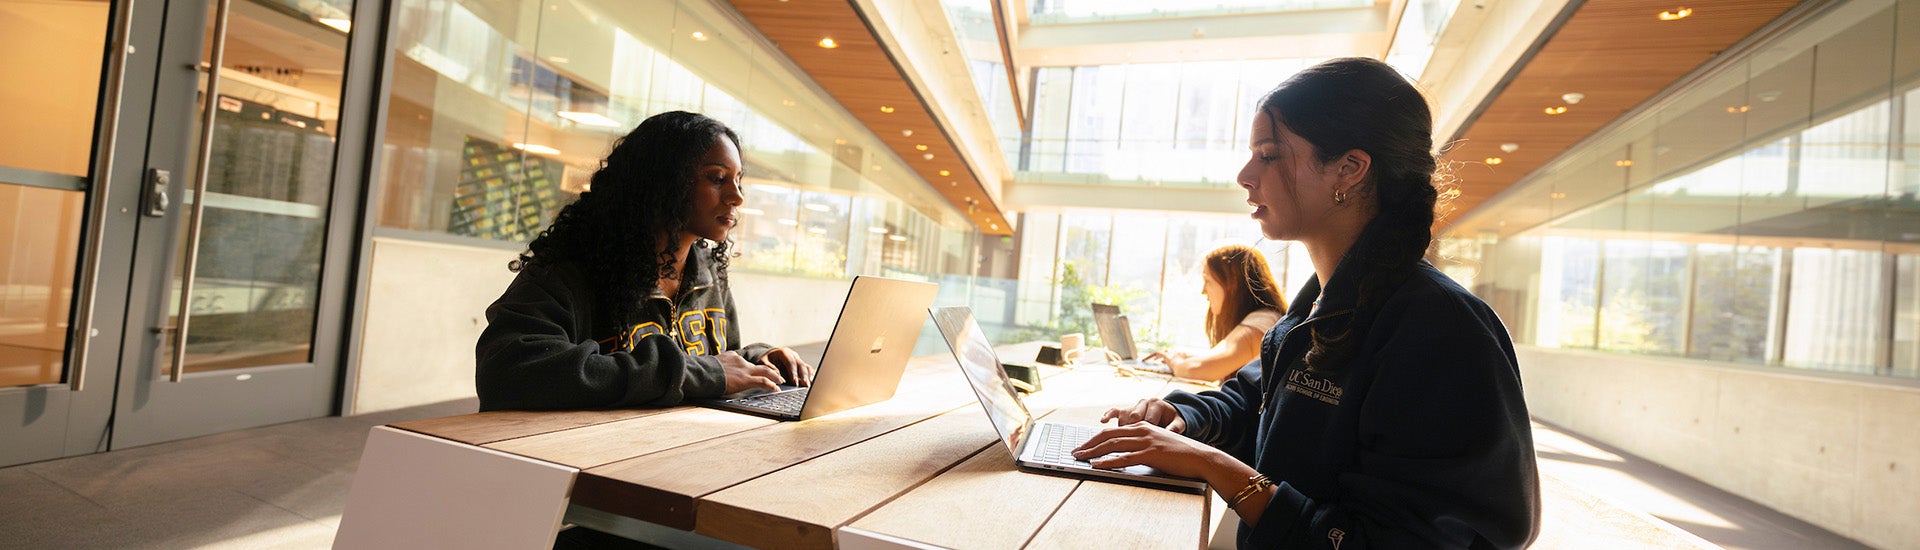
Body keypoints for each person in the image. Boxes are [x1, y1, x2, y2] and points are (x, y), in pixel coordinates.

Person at [1072, 58, 1540, 548]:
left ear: (1349, 169)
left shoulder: (1440, 328)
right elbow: (1255, 403)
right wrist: (1180, 417)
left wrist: (1211, 465)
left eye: (1269, 155)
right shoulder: (1320, 303)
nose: (1245, 175)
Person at [475, 111, 812, 412]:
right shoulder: (571, 269)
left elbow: (713, 366)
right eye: (717, 178)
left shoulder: (708, 273)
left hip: (675, 446)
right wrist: (698, 372)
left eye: (738, 181)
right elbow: (506, 371)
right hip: (578, 453)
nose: (737, 197)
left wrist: (756, 360)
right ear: (665, 181)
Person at [1141, 244, 1286, 382]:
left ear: (1233, 282)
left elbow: (1196, 370)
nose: (1203, 291)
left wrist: (1175, 362)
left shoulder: (1261, 322)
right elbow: (1221, 358)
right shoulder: (1263, 319)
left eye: (1207, 281)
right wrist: (1183, 356)